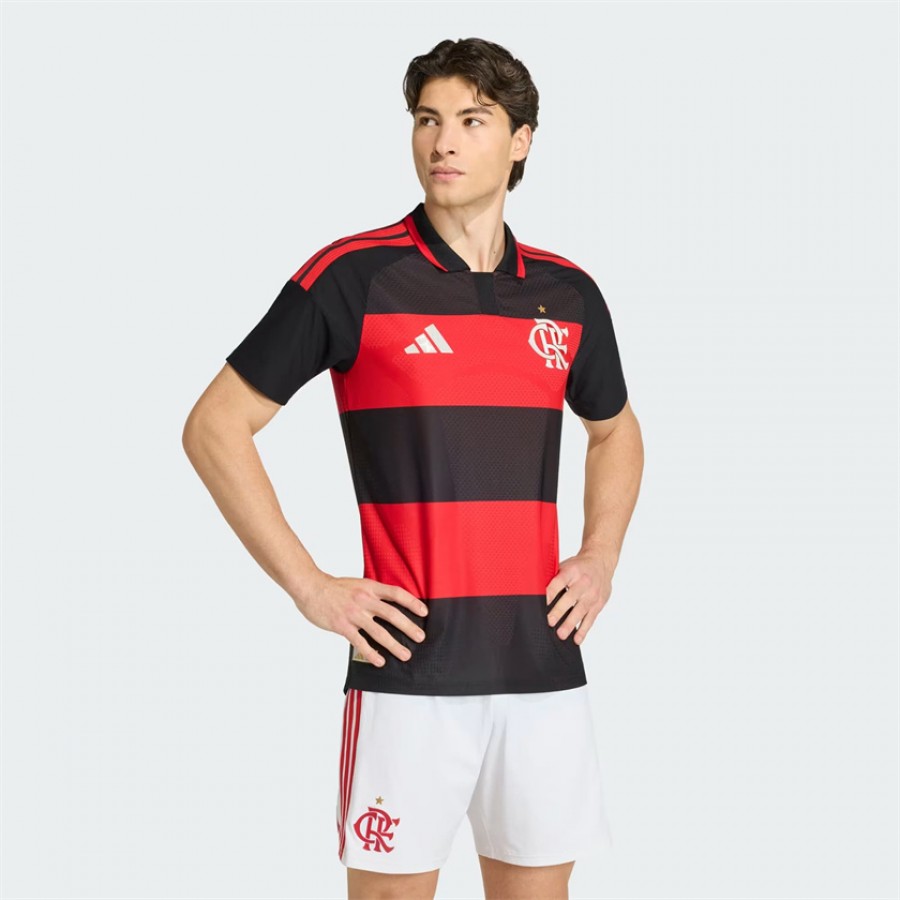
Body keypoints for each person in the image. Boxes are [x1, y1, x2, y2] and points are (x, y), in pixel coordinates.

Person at [182, 36, 643, 900]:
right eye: (428, 120)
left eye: (473, 120)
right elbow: (214, 427)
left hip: (542, 669)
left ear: (522, 141)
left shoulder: (569, 294)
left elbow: (615, 431)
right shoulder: (354, 277)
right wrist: (310, 587)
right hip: (408, 673)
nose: (443, 142)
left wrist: (601, 556)